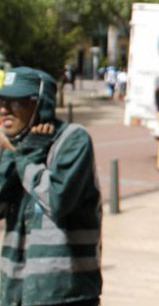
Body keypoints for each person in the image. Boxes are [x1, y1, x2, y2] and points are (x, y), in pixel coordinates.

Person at [0, 67, 102, 306]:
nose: (4, 109)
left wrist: (27, 158)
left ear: (41, 104)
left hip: (65, 292)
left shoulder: (73, 140)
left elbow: (57, 201)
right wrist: (10, 155)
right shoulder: (17, 145)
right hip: (15, 290)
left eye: (16, 102)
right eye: (2, 101)